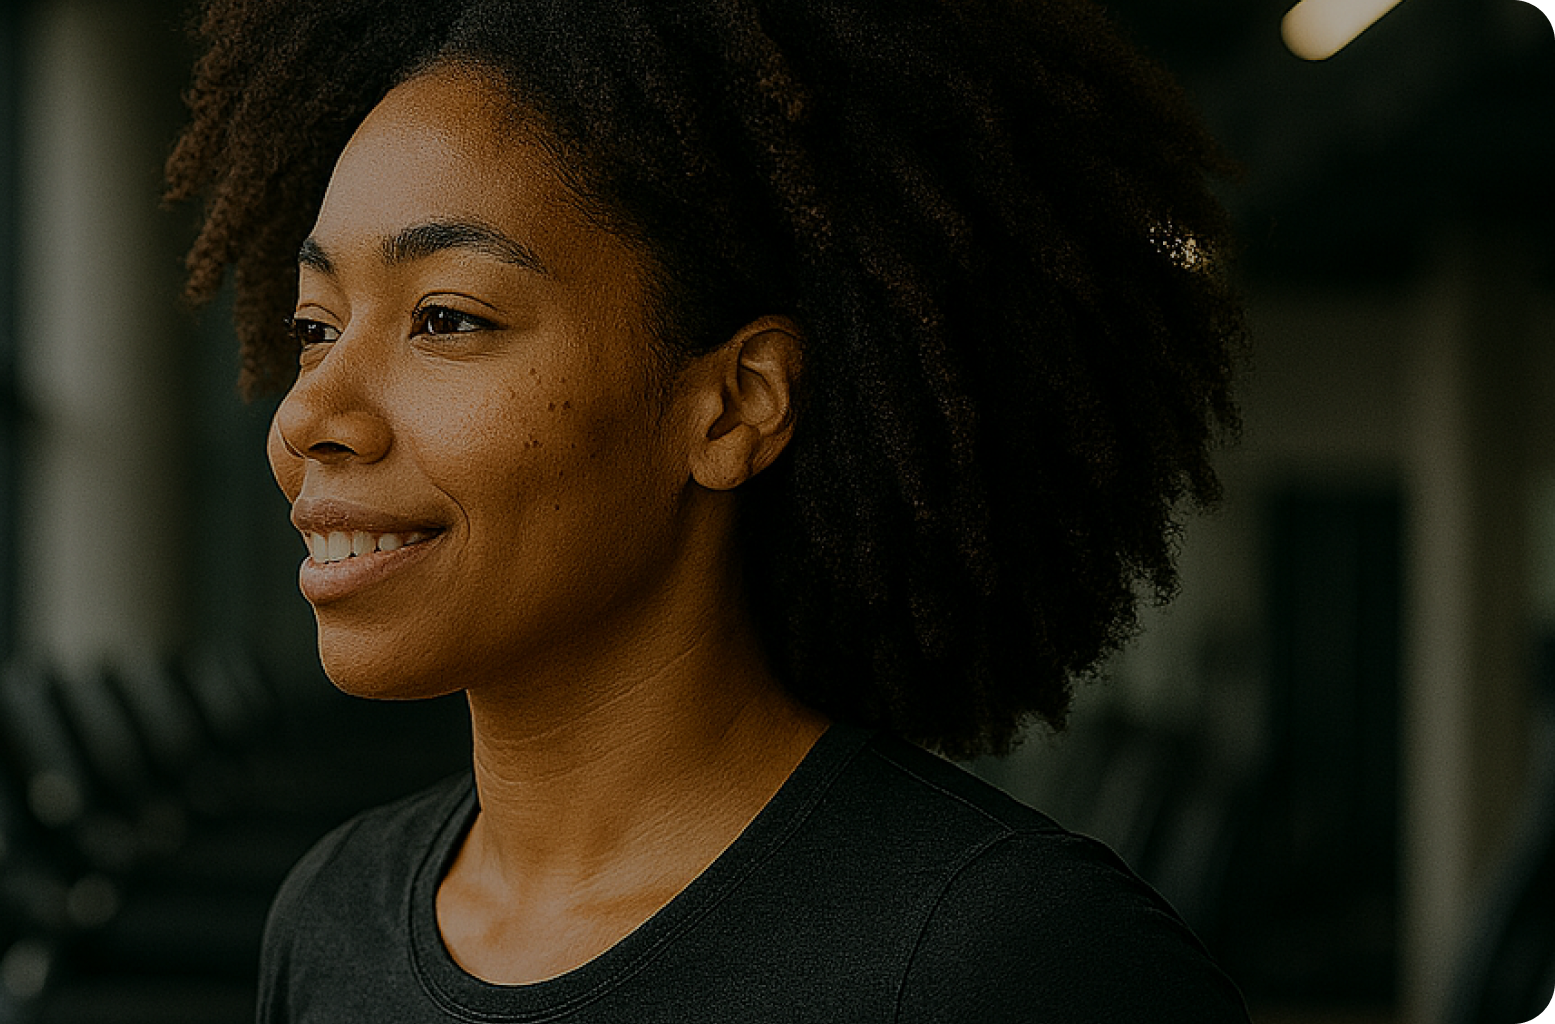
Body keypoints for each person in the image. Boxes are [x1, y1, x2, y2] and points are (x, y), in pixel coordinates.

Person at [166, 0, 1252, 1020]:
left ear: (731, 407)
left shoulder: (1010, 962)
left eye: (444, 317)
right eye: (316, 326)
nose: (309, 412)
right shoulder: (330, 917)